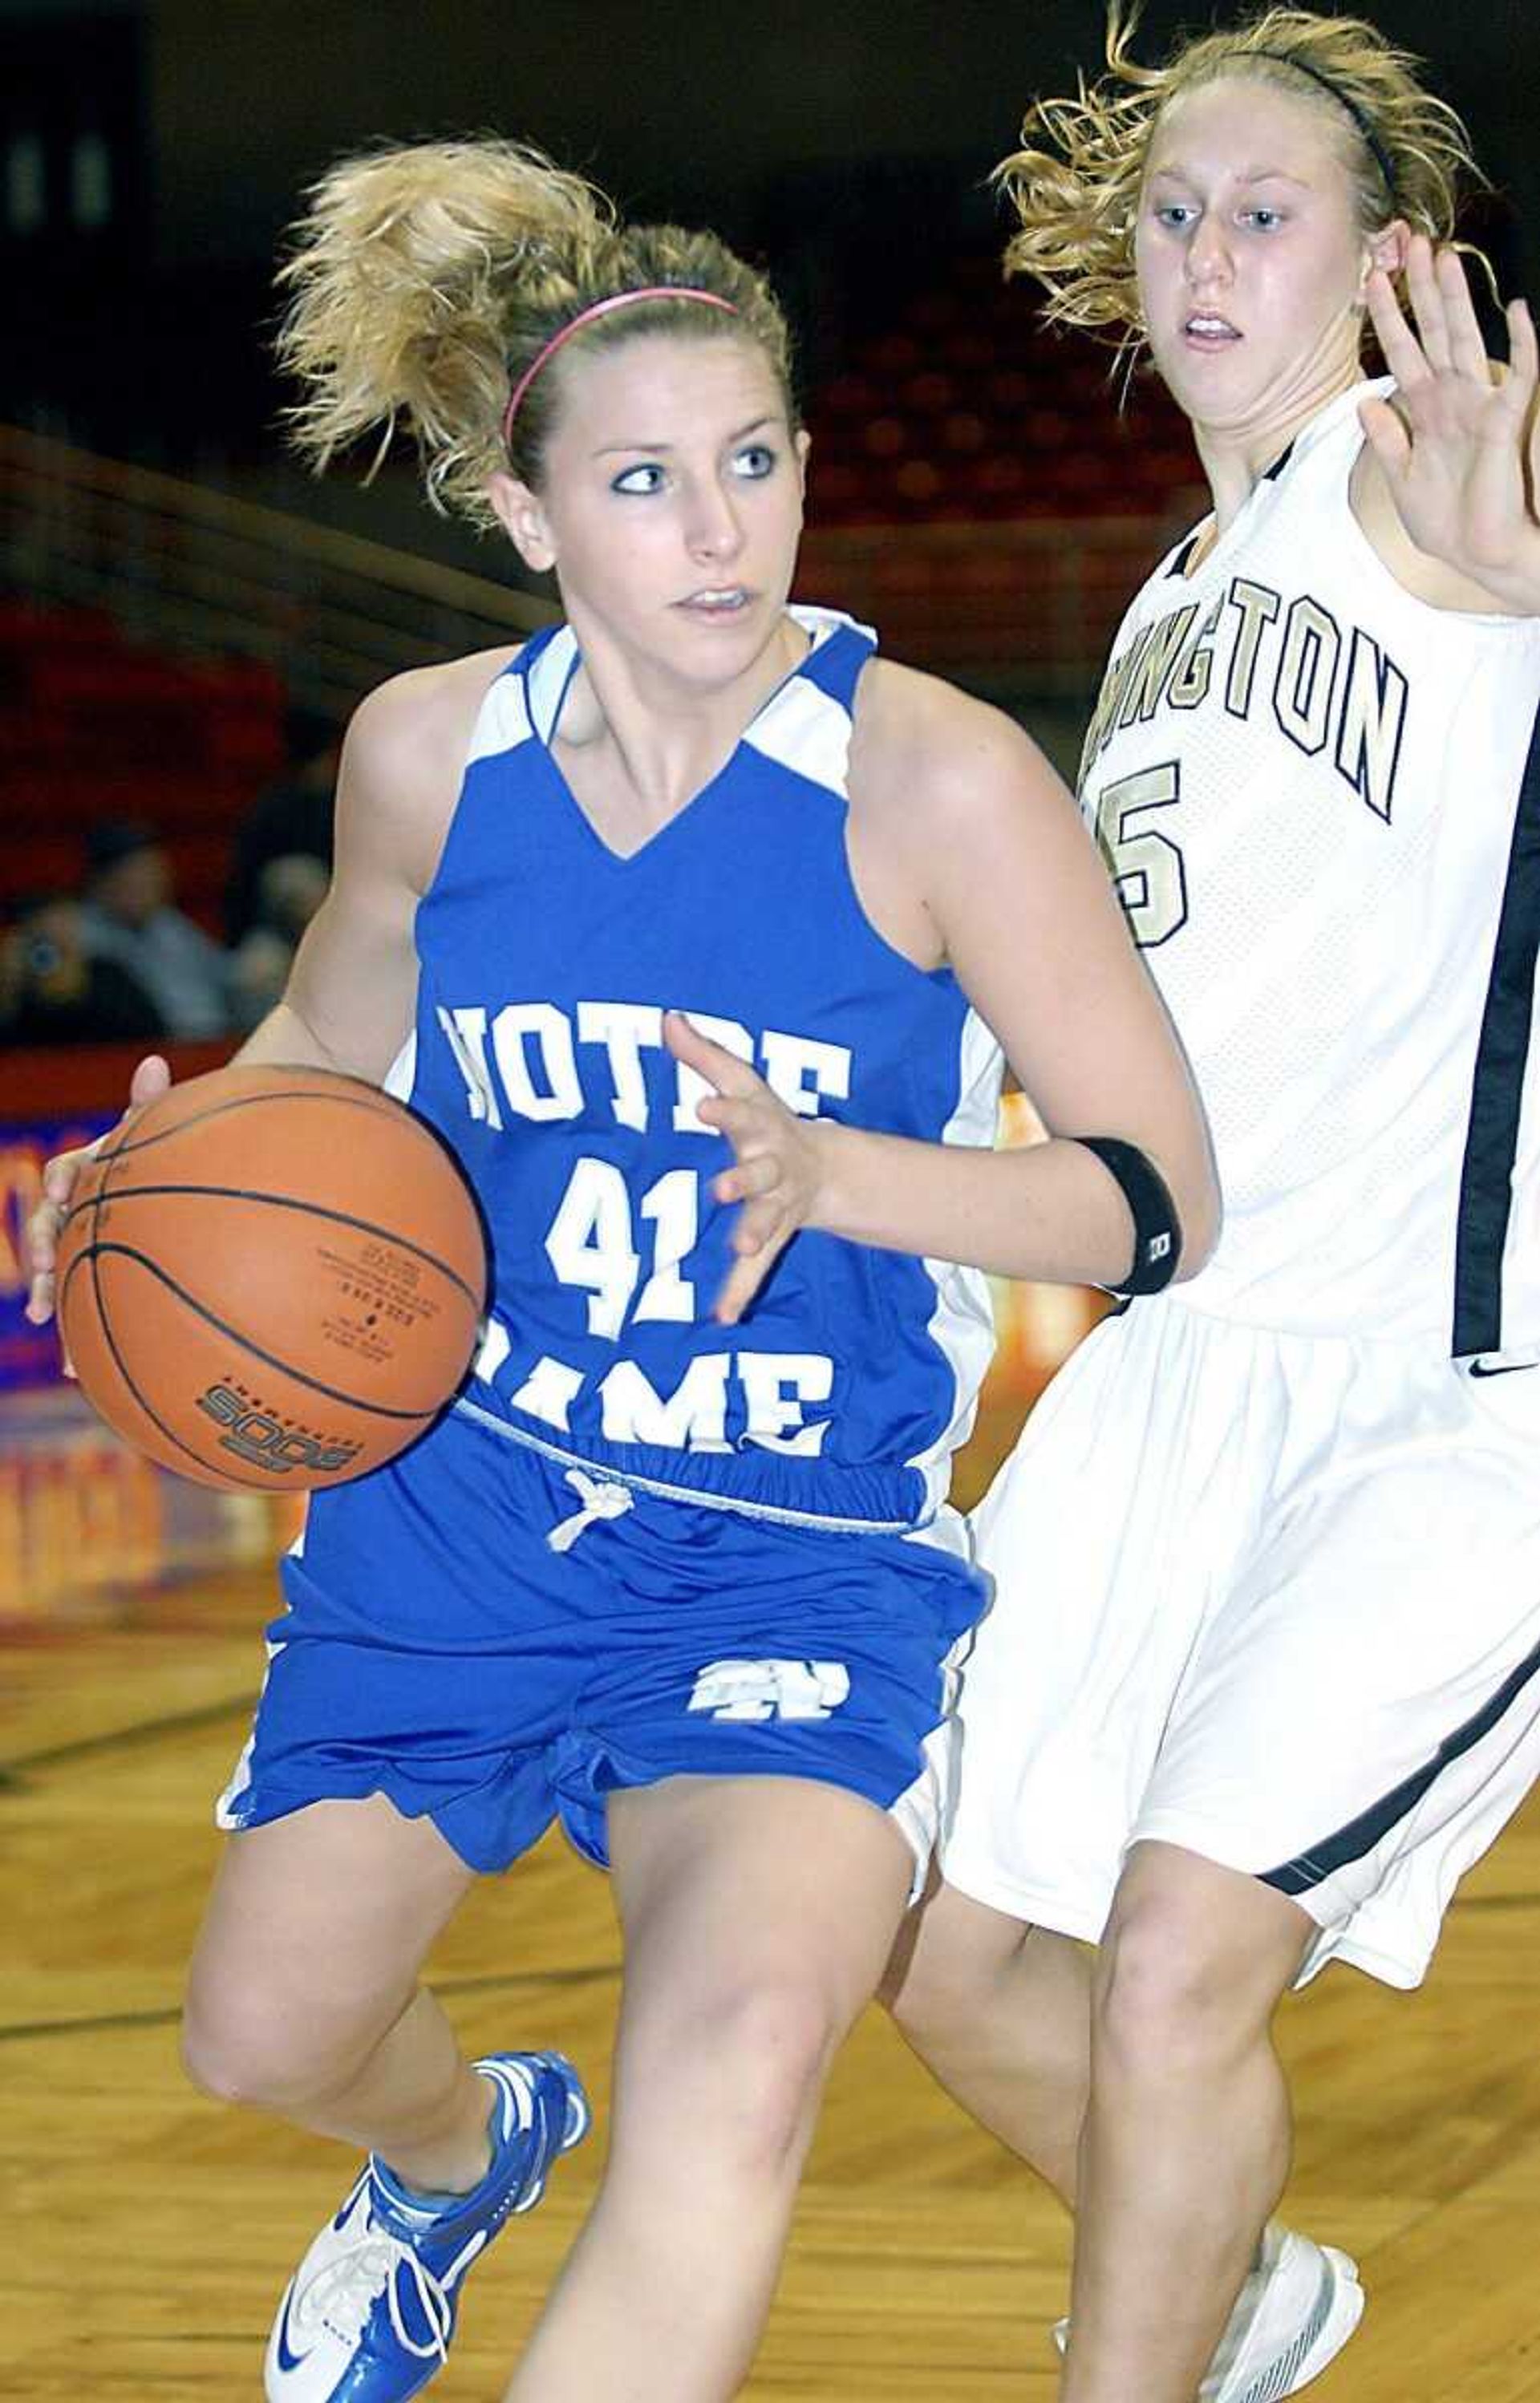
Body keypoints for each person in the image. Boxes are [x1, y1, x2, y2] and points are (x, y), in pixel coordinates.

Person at [25, 139, 1216, 2403]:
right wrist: (169, 1162)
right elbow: (326, 1048)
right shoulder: (422, 760)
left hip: (785, 1557)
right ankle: (458, 2153)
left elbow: (1156, 1197)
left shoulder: (938, 779)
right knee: (261, 2031)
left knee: (733, 2079)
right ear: (523, 510)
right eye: (650, 480)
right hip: (456, 1512)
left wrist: (855, 1173)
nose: (723, 526)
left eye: (755, 461)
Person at [886, 11, 1540, 2401]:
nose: (1198, 253)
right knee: (937, 1940)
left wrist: (1516, 538)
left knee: (1177, 1957)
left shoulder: (1432, 474)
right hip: (1171, 1372)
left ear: (1392, 261)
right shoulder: (1168, 604)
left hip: (1439, 1398)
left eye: (1262, 208)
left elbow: (1501, 551)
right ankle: (1237, 2288)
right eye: (1171, 208)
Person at [79, 818, 233, 1039]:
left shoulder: (168, 924)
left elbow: (222, 974)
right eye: (139, 872)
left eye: (155, 870)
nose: (154, 881)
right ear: (102, 881)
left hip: (214, 1044)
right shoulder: (83, 938)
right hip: (144, 1055)